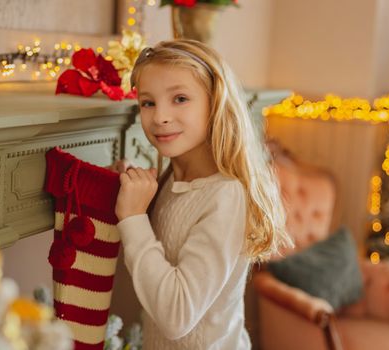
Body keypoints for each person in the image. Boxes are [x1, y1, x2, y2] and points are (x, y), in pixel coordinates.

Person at [113, 39, 293, 349]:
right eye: (148, 102)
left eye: (180, 98)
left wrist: (133, 217)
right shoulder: (174, 178)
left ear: (215, 103)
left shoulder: (226, 195)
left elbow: (176, 317)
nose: (159, 117)